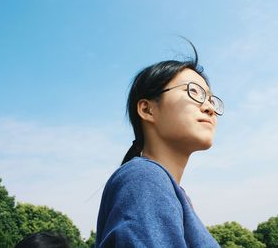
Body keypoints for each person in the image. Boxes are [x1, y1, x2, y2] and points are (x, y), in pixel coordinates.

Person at [95, 42, 224, 247]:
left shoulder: (168, 191)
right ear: (147, 109)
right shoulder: (144, 178)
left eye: (211, 99)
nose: (209, 108)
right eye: (194, 92)